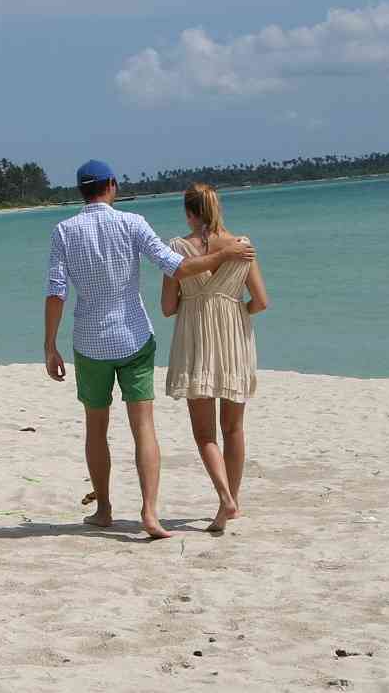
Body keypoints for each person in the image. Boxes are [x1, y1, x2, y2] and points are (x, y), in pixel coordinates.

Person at [44, 160, 255, 539]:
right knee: (143, 427)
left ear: (81, 191)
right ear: (112, 185)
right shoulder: (133, 223)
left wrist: (49, 345)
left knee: (96, 427)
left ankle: (105, 508)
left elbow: (56, 291)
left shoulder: (63, 231)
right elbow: (175, 266)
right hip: (134, 338)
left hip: (90, 342)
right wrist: (223, 257)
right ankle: (150, 512)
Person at [161, 183, 270, 534]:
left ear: (189, 213)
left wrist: (195, 299)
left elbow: (167, 308)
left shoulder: (177, 250)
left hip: (195, 340)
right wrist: (235, 312)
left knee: (205, 433)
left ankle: (225, 497)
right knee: (234, 428)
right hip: (234, 339)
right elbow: (261, 302)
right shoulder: (243, 248)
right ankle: (231, 503)